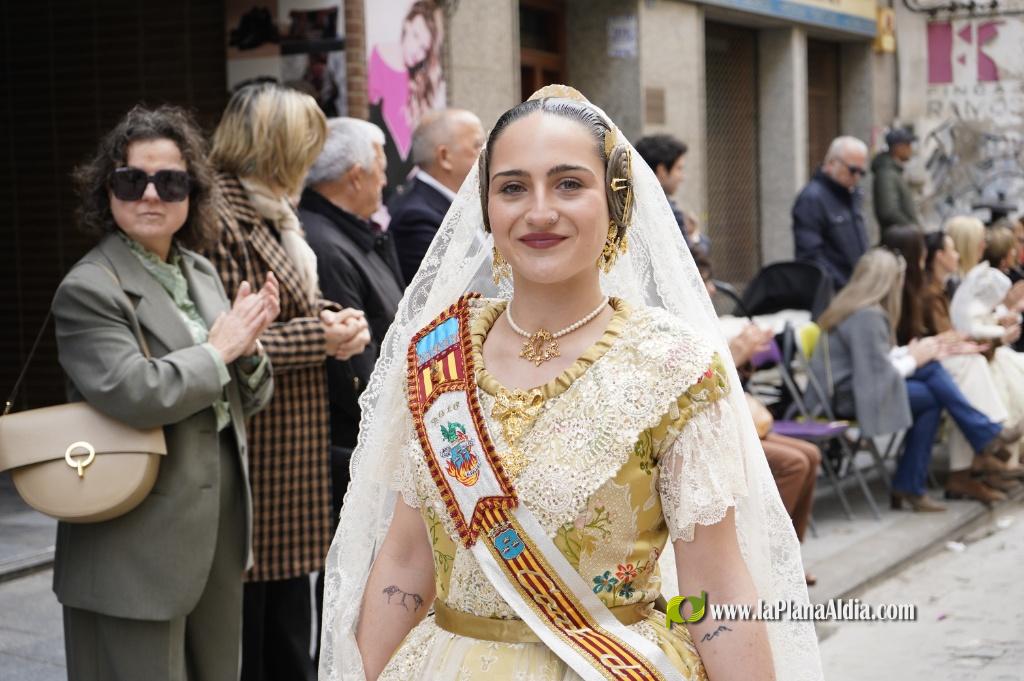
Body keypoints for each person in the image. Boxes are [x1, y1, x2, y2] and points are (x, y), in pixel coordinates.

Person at [319, 85, 823, 681]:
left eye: (568, 184)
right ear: (486, 208)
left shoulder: (673, 366)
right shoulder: (436, 356)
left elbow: (713, 581)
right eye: (512, 187)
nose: (538, 211)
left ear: (615, 202)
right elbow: (404, 563)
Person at [53, 105, 277, 680]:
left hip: (215, 526)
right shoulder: (88, 288)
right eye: (133, 180)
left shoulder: (198, 269)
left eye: (170, 181)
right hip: (132, 537)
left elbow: (241, 394)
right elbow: (134, 392)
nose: (151, 195)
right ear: (108, 191)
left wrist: (248, 352)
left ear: (191, 193)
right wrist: (220, 350)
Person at [204, 82, 371, 681]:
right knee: (259, 627)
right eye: (306, 142)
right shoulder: (221, 215)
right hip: (258, 438)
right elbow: (222, 338)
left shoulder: (272, 209)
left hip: (289, 440)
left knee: (284, 617)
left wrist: (328, 316)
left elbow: (283, 303)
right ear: (279, 147)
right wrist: (319, 338)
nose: (311, 157)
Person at [810, 248, 1018, 512]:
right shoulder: (868, 316)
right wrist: (914, 358)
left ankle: (981, 437)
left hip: (852, 389)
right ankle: (979, 437)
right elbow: (874, 376)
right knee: (931, 389)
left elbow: (875, 364)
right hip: (850, 399)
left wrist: (914, 352)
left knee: (931, 376)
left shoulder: (854, 308)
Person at [298, 117, 405, 517]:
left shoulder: (349, 233)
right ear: (356, 176)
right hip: (353, 449)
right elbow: (354, 368)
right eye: (380, 168)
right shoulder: (325, 245)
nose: (385, 181)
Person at [886, 226, 1016, 503]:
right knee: (961, 377)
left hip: (917, 365)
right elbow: (892, 353)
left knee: (959, 380)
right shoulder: (920, 293)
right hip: (905, 371)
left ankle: (982, 446)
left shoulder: (932, 289)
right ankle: (984, 443)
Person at [950, 223, 1024, 475]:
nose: (985, 245)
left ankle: (1000, 451)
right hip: (965, 358)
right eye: (981, 241)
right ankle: (993, 449)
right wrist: (1000, 333)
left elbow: (979, 322)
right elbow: (963, 332)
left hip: (977, 353)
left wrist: (1002, 319)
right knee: (991, 373)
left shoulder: (977, 279)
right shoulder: (965, 283)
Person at [389, 108, 485, 283]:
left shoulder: (462, 201)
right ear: (444, 157)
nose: (487, 153)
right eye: (478, 145)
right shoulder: (416, 217)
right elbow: (454, 291)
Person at [367, 0, 445, 161]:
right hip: (384, 160)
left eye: (424, 48)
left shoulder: (420, 77)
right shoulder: (379, 56)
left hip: (412, 164)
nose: (417, 51)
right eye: (416, 36)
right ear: (407, 24)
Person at [793, 136, 870, 289]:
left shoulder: (852, 195)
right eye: (852, 170)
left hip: (855, 289)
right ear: (831, 163)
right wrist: (842, 285)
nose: (856, 177)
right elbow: (810, 255)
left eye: (861, 172)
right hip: (832, 292)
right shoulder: (812, 199)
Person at [634, 133, 691, 248]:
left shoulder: (627, 205)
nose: (682, 177)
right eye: (679, 168)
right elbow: (690, 261)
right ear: (662, 170)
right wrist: (696, 238)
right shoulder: (670, 213)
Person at [872, 127, 920, 230]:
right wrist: (913, 229)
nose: (910, 149)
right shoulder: (885, 173)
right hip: (899, 240)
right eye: (908, 145)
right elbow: (888, 212)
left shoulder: (894, 171)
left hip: (906, 238)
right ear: (898, 147)